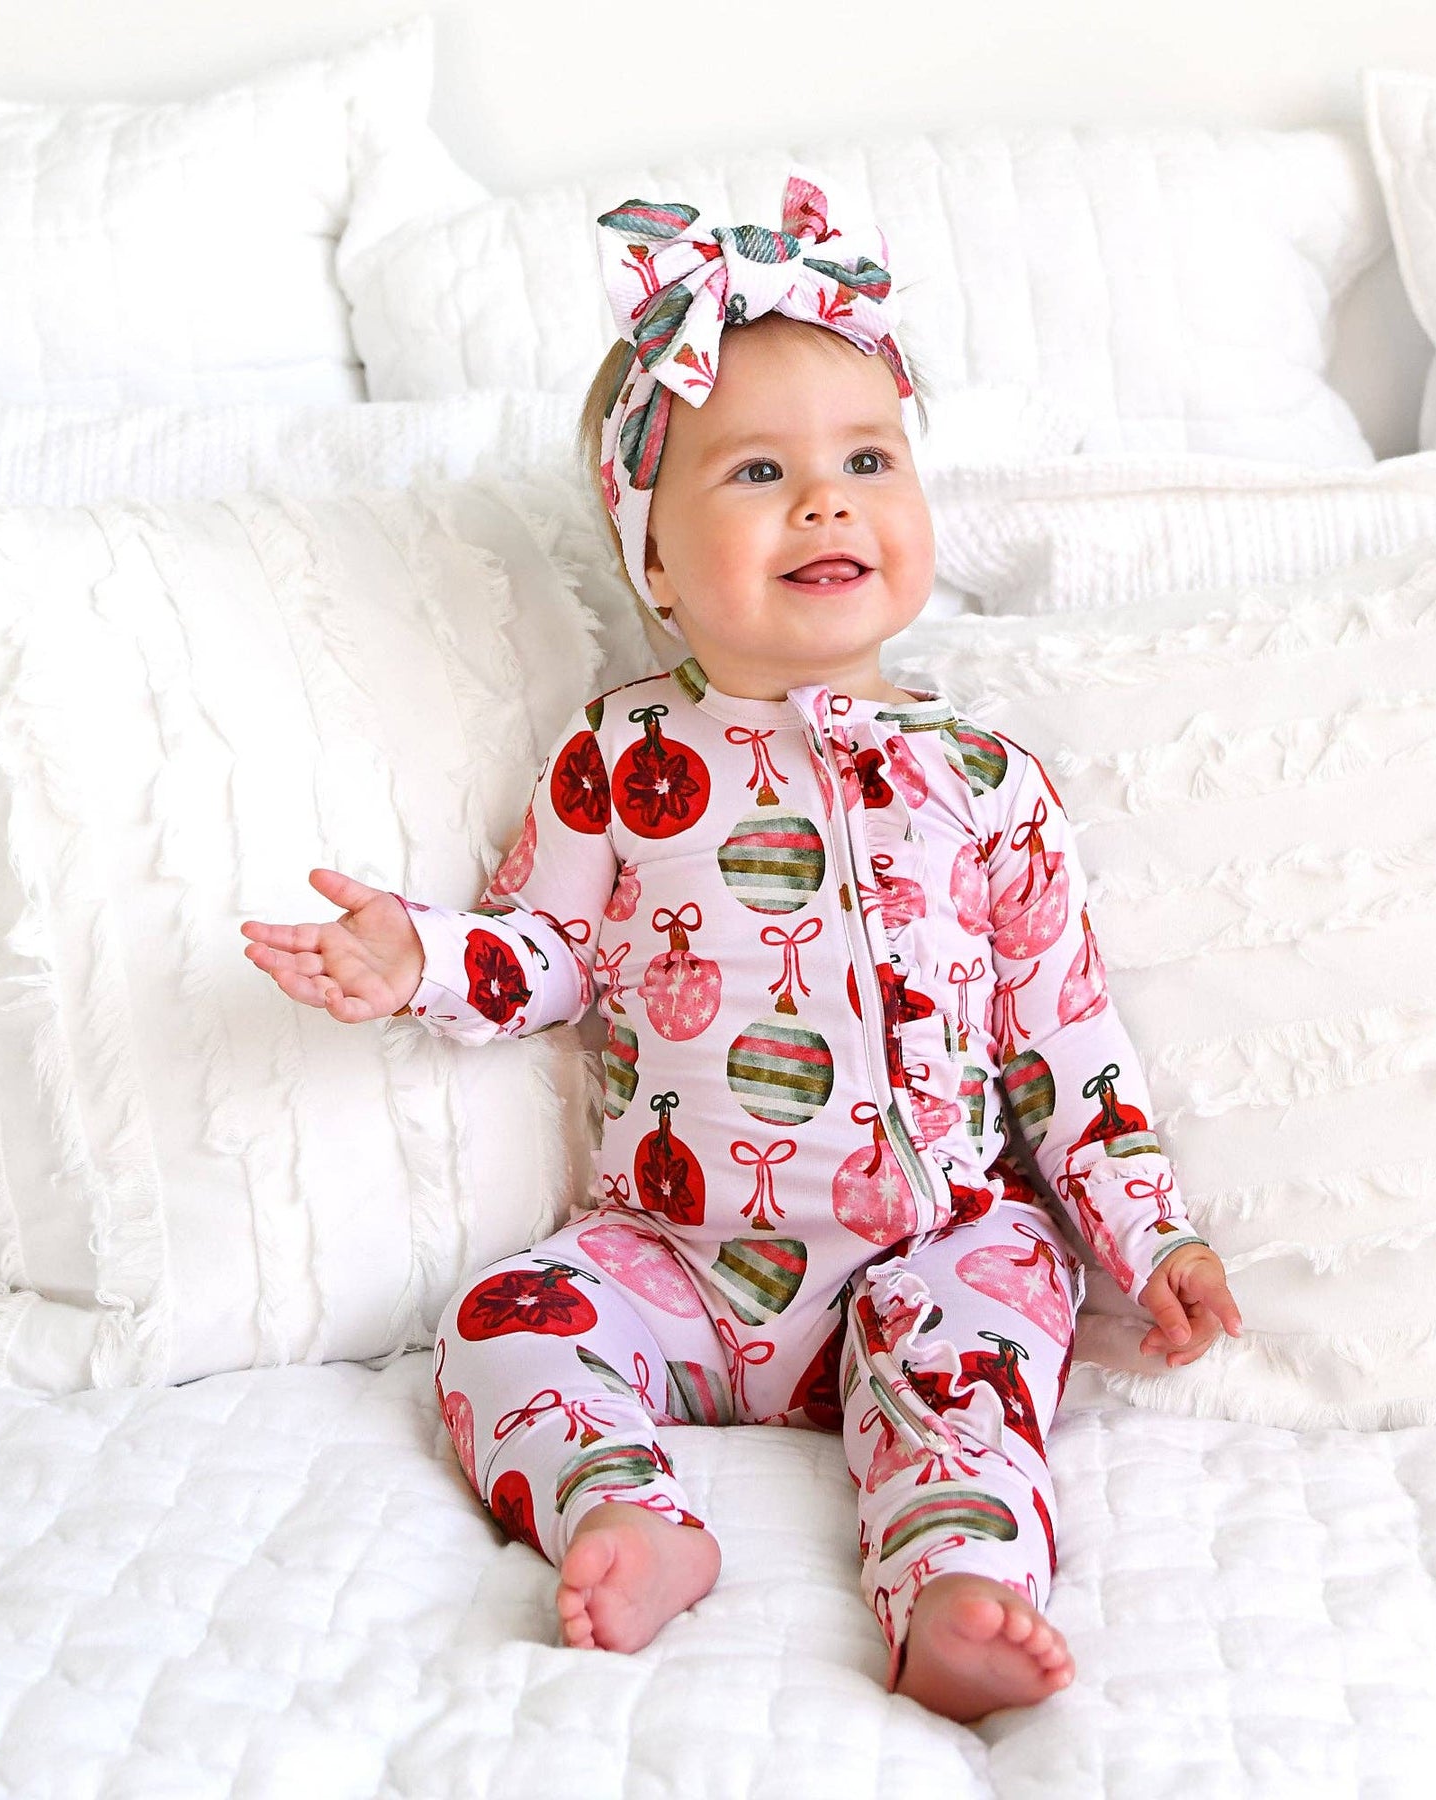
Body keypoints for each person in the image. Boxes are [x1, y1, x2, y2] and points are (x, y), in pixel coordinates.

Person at [240, 170, 1242, 1725]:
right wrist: (418, 961)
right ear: (652, 558)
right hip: (678, 1257)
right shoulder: (620, 755)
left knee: (981, 1354)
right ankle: (623, 1514)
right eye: (761, 470)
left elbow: (1064, 1040)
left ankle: (958, 1579)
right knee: (498, 1324)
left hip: (930, 1246)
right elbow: (551, 951)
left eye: (867, 461)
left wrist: (1150, 1238)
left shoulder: (985, 782)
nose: (827, 503)